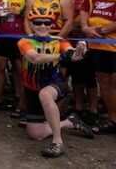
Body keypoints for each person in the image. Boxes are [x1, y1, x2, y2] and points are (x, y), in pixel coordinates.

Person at [19, 8, 93, 158]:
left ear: (52, 25)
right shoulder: (24, 41)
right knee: (35, 134)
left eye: (47, 23)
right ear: (32, 25)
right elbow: (35, 58)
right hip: (32, 89)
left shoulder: (59, 41)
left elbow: (70, 52)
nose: (42, 26)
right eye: (38, 22)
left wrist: (79, 51)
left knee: (45, 94)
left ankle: (57, 143)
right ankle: (69, 122)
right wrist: (60, 57)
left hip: (55, 83)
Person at [58, 0, 99, 123]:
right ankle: (78, 106)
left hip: (88, 35)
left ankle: (93, 109)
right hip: (71, 35)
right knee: (75, 72)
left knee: (89, 74)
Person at [80, 0, 116, 134]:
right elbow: (85, 8)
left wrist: (103, 30)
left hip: (112, 42)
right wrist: (86, 27)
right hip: (96, 43)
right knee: (103, 80)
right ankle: (112, 119)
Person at [0, 0, 35, 117]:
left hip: (20, 35)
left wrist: (18, 12)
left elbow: (32, 15)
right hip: (4, 33)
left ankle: (21, 103)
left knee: (19, 68)